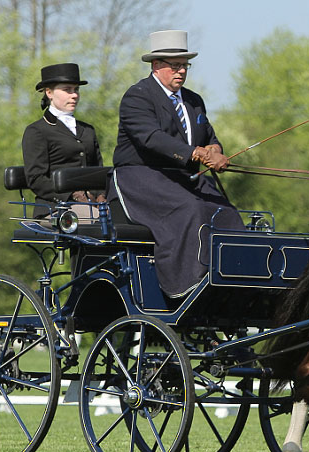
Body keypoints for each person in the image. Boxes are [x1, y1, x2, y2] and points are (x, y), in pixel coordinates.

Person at [109, 29, 244, 298]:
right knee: (190, 208)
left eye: (185, 65)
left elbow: (208, 136)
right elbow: (151, 138)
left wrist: (215, 150)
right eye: (175, 66)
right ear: (156, 65)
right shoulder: (137, 96)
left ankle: (235, 278)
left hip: (183, 177)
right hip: (140, 176)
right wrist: (198, 154)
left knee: (227, 212)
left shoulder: (193, 101)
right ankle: (186, 284)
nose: (181, 71)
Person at [22, 63, 104, 218]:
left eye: (76, 90)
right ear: (49, 93)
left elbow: (98, 170)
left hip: (92, 204)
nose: (74, 95)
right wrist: (72, 195)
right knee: (100, 222)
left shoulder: (88, 130)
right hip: (54, 208)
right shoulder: (37, 131)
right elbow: (36, 179)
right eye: (67, 90)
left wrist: (101, 195)